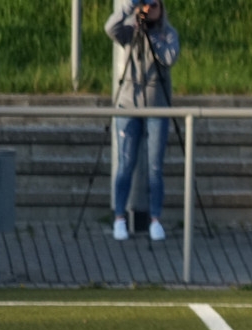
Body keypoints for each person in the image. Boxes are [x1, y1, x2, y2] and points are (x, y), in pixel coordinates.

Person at [105, 0, 180, 242]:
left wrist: (152, 36)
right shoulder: (130, 31)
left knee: (155, 167)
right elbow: (110, 28)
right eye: (145, 4)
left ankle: (155, 219)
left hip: (157, 106)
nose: (149, 9)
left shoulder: (168, 33)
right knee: (125, 164)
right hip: (128, 104)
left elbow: (169, 58)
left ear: (162, 8)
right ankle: (119, 218)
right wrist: (129, 8)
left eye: (153, 4)